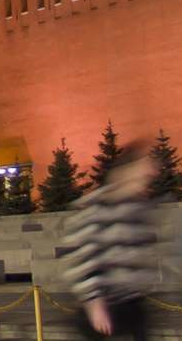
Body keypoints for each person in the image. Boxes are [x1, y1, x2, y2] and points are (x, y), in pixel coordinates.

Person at [65, 142, 157, 341]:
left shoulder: (138, 208)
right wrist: (94, 302)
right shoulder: (97, 207)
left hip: (132, 300)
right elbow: (84, 256)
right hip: (104, 304)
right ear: (126, 172)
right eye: (143, 172)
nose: (149, 177)